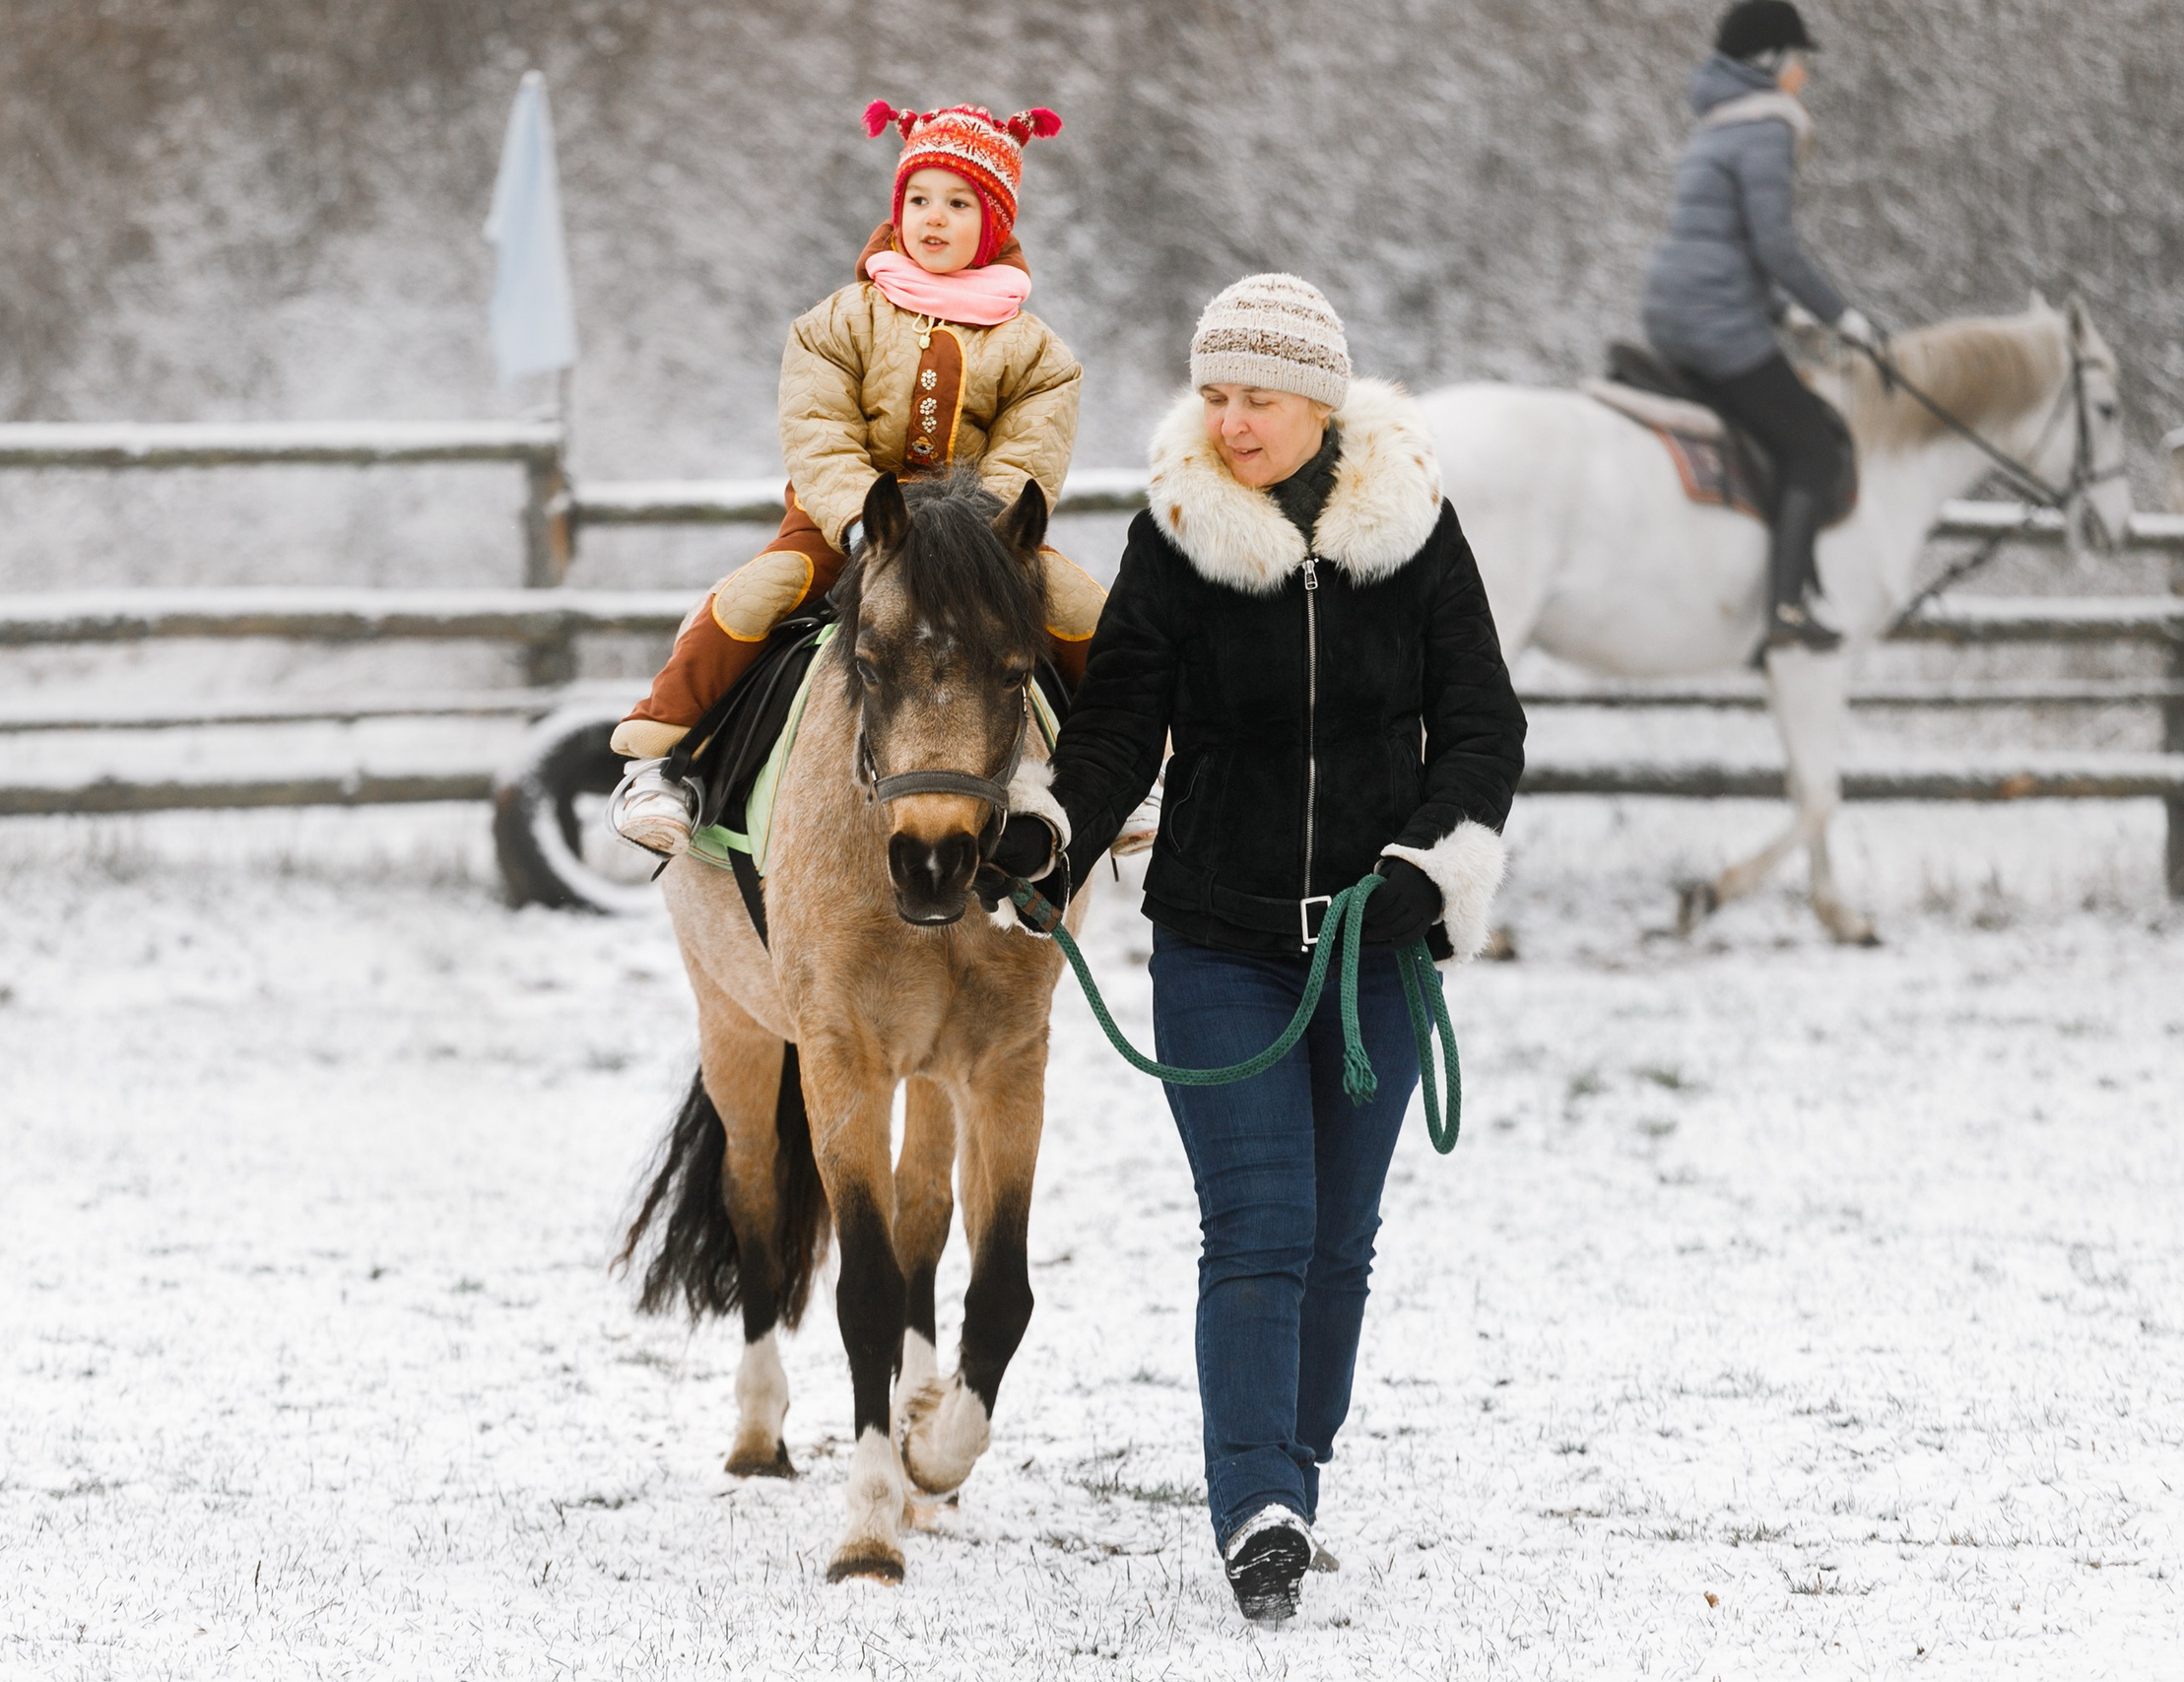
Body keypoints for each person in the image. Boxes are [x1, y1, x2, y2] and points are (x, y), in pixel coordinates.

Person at [994, 275, 1526, 1624]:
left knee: (1339, 1239)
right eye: (1216, 395)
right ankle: (1256, 1506)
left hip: (1373, 945)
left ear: (1322, 404)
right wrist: (1051, 835)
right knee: (1259, 1224)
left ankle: (1299, 1471)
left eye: (1260, 399)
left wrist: (1428, 863)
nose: (1232, 423)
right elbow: (1120, 726)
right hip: (1219, 942)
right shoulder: (1178, 533)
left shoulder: (1414, 528)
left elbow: (1481, 723)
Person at [608, 101, 1098, 855]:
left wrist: (978, 535)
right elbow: (821, 435)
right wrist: (861, 522)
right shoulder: (836, 324)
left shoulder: (1037, 353)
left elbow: (1029, 455)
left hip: (982, 543)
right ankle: (666, 758)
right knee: (752, 595)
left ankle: (1125, 770)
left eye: (959, 203)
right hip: (845, 528)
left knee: (1084, 606)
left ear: (994, 224)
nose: (934, 217)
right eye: (918, 199)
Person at [1640, 0, 1876, 651]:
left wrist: (1783, 313)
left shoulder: (1714, 124)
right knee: (1814, 447)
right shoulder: (1767, 125)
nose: (1803, 74)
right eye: (1796, 59)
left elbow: (1724, 243)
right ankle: (1787, 609)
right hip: (1715, 321)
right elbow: (1774, 245)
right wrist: (1840, 315)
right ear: (1768, 60)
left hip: (1671, 310)